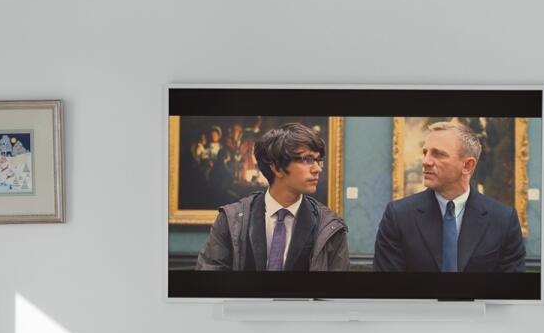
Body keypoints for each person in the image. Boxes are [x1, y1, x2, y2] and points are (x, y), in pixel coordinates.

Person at [370, 117, 526, 275]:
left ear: (467, 165)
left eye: (438, 154)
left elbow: (510, 294)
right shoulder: (398, 216)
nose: (425, 161)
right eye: (425, 153)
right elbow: (387, 292)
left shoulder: (503, 220)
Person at [191, 122, 346, 272]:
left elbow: (338, 294)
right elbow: (208, 284)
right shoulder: (230, 219)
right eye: (307, 159)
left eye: (319, 160)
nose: (317, 169)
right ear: (277, 167)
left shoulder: (331, 227)